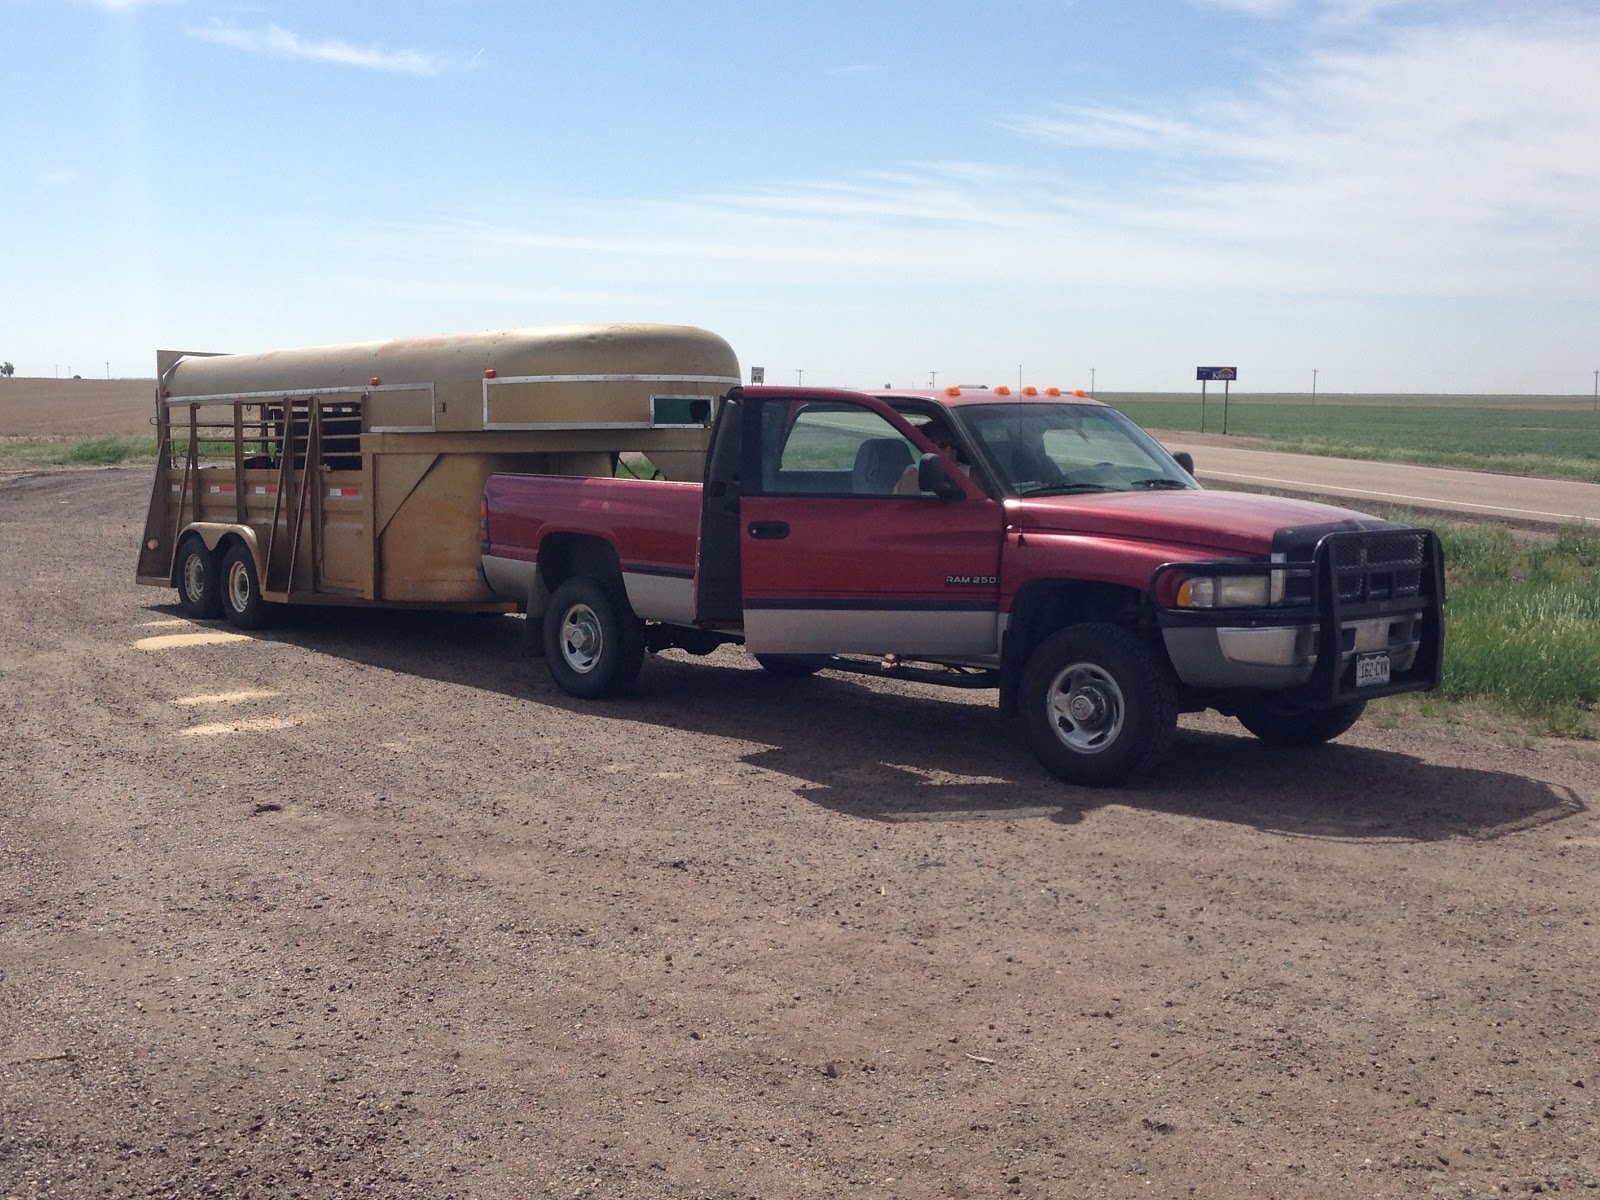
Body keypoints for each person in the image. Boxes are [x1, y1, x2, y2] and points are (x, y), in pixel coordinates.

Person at [894, 418, 967, 496]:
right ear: (927, 445)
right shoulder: (915, 474)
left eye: (952, 444)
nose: (948, 449)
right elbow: (904, 505)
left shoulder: (972, 473)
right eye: (941, 444)